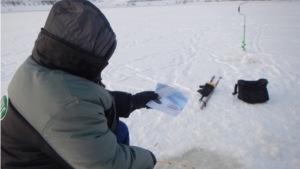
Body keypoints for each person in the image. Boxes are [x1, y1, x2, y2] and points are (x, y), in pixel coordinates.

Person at [1, 0, 158, 168]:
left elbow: (80, 101)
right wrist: (150, 159)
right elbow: (108, 164)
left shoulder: (39, 68)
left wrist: (131, 102)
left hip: (41, 150)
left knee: (120, 130)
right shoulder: (68, 105)